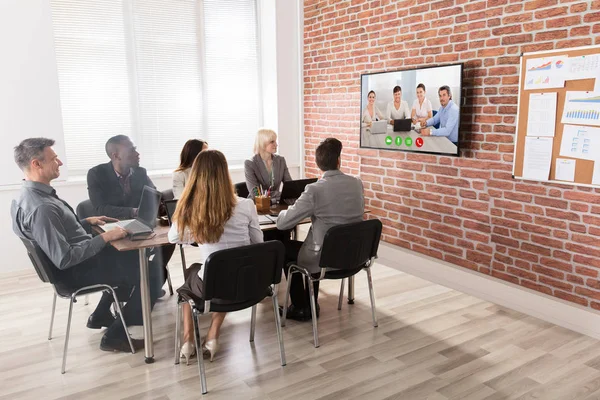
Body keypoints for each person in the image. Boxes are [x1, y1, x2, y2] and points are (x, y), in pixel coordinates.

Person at [11, 138, 163, 352]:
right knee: (152, 274)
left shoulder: (27, 197)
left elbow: (54, 235)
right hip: (75, 272)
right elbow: (64, 258)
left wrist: (85, 223)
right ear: (36, 164)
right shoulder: (42, 208)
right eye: (54, 159)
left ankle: (100, 314)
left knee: (133, 262)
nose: (60, 163)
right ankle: (115, 336)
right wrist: (105, 238)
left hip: (78, 265)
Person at [169, 150, 263, 364]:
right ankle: (212, 335)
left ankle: (187, 341)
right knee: (224, 273)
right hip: (247, 284)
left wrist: (193, 233)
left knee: (190, 279)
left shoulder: (192, 209)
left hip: (213, 286)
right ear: (225, 173)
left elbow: (174, 237)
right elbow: (258, 244)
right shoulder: (246, 205)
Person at [276, 138, 364, 321]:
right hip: (354, 255)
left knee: (283, 248)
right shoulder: (356, 183)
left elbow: (282, 224)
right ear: (339, 160)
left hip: (324, 259)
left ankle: (301, 307)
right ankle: (310, 304)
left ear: (318, 163)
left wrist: (282, 212)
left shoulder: (314, 190)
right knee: (315, 245)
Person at [87, 135, 175, 291]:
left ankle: (149, 281)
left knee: (171, 239)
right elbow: (101, 209)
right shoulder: (96, 174)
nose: (137, 153)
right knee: (128, 257)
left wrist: (160, 204)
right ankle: (143, 284)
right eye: (132, 149)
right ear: (116, 155)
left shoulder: (140, 172)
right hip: (112, 229)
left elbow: (153, 194)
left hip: (139, 225)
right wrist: (134, 211)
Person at [244, 128, 291, 204]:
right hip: (258, 205)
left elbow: (290, 186)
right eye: (272, 142)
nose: (276, 144)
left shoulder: (280, 160)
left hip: (276, 203)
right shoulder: (250, 164)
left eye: (275, 141)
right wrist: (280, 195)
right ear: (262, 143)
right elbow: (255, 194)